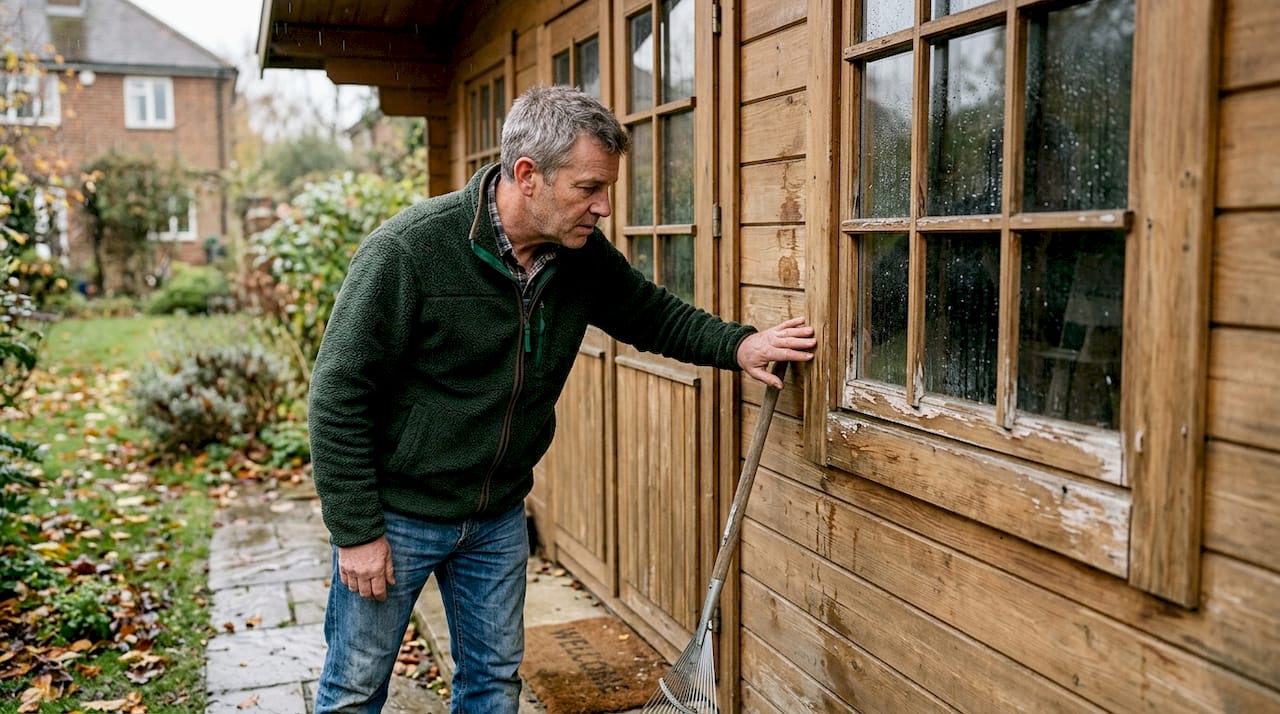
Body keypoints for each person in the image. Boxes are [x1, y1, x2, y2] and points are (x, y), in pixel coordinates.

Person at [308, 84, 816, 713]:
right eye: (589, 188)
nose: (604, 207)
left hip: (496, 516)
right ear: (528, 176)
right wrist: (356, 531)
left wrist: (739, 347)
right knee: (354, 689)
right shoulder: (409, 252)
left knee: (493, 684)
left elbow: (651, 314)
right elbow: (338, 396)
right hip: (401, 513)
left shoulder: (578, 257)